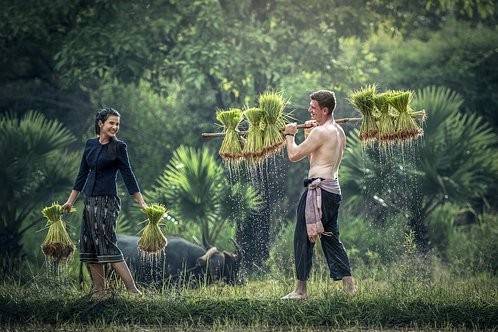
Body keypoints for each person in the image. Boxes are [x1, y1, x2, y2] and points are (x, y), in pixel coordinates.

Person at [62, 107, 147, 298]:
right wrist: (70, 202)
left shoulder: (119, 147)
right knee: (90, 244)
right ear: (100, 123)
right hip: (89, 201)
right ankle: (100, 291)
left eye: (117, 124)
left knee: (107, 244)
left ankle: (134, 292)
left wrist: (141, 203)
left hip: (107, 202)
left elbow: (129, 176)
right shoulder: (90, 145)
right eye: (111, 123)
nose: (115, 127)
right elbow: (81, 175)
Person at [282, 90, 356, 299]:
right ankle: (350, 288)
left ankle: (300, 290)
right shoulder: (338, 131)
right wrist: (307, 135)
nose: (310, 110)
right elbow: (317, 160)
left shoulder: (321, 132)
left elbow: (294, 155)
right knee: (331, 238)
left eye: (313, 108)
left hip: (318, 192)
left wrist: (289, 134)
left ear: (325, 110)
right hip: (332, 190)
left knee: (302, 237)